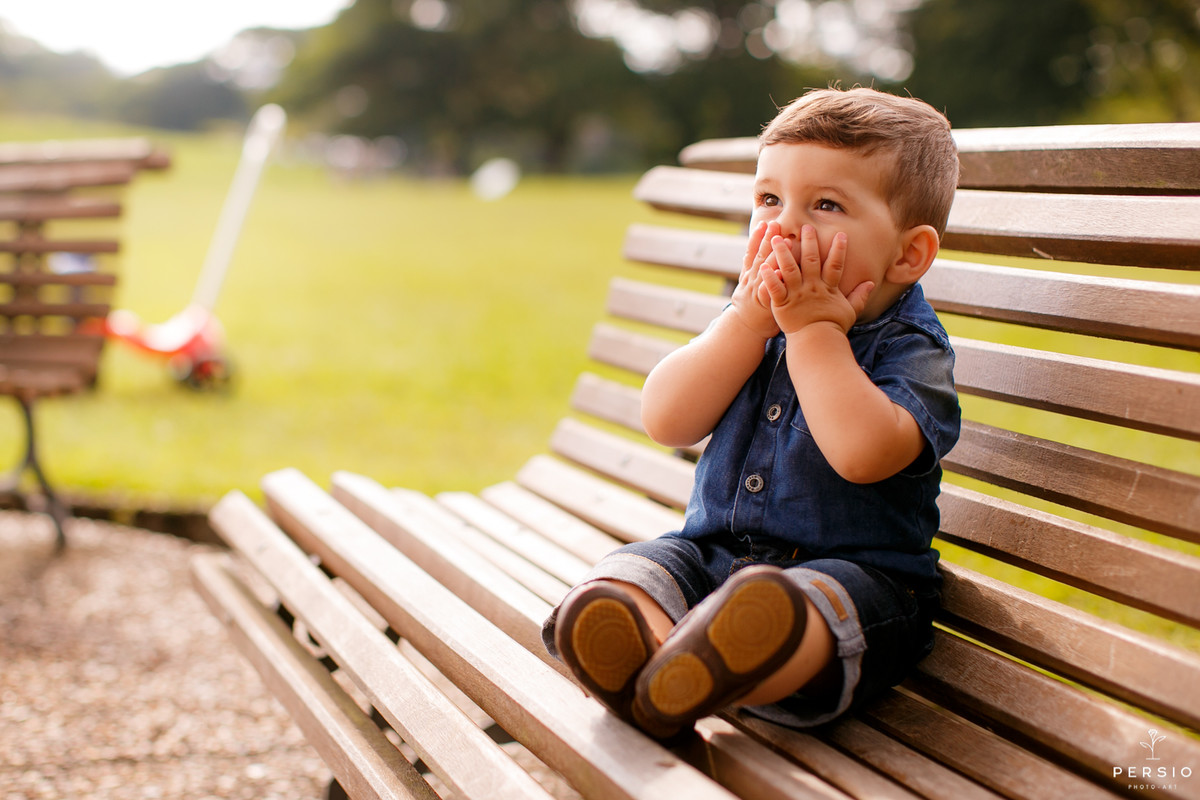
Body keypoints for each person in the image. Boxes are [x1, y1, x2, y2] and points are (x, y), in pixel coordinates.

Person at [543, 86, 962, 739]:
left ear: (908, 254)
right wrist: (744, 322)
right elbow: (668, 419)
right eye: (769, 200)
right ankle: (653, 657)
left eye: (826, 205)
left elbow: (863, 452)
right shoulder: (752, 318)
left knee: (808, 614)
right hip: (713, 558)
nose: (784, 226)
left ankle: (720, 664)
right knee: (642, 570)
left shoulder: (910, 347)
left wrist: (816, 335)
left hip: (860, 581)